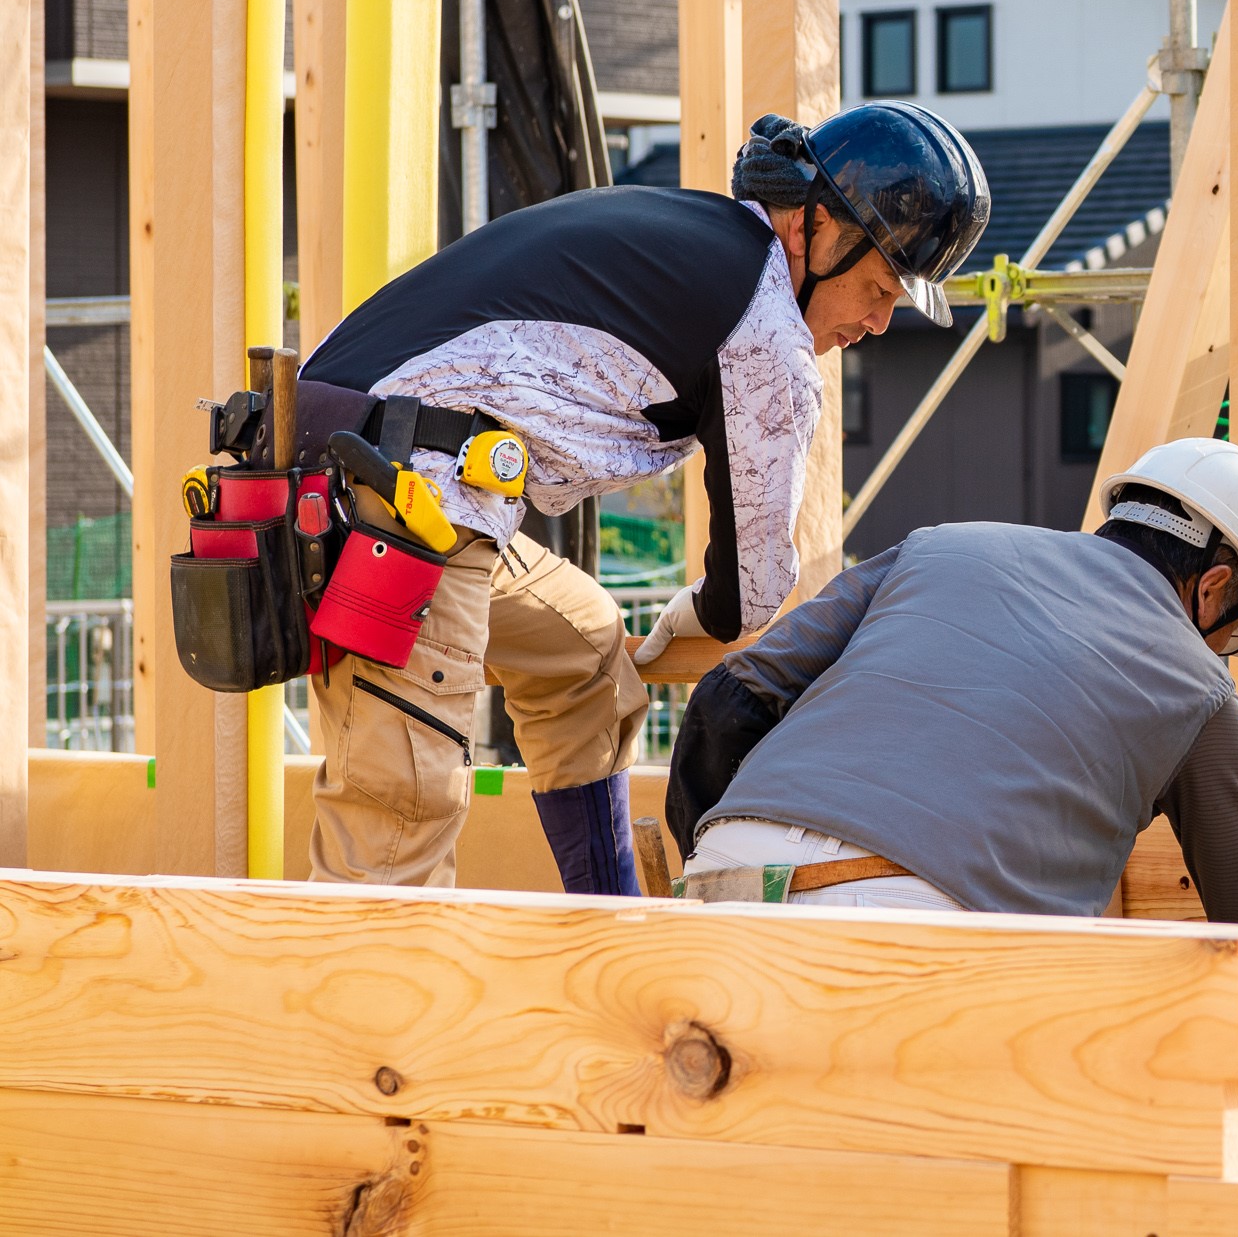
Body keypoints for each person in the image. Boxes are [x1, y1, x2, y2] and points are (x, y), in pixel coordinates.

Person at [292, 104, 988, 893]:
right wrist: (694, 623)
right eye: (877, 287)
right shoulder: (765, 331)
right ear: (813, 227)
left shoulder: (702, 239)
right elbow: (752, 588)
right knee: (399, 813)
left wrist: (652, 640)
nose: (878, 321)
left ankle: (612, 927)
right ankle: (355, 1014)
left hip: (375, 472)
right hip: (406, 503)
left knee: (581, 646)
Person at [664, 439, 1238, 925]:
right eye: (1237, 634)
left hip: (724, 873)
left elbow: (730, 698)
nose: (1224, 654)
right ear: (1215, 587)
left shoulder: (941, 546)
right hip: (916, 920)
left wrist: (723, 849)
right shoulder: (1202, 691)